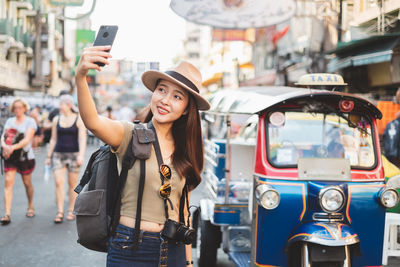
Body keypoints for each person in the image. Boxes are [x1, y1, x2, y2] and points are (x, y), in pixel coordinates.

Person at [75, 45, 210, 267]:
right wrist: (81, 77)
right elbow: (93, 122)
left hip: (173, 249)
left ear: (187, 109)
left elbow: (182, 208)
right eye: (162, 90)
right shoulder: (130, 134)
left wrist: (188, 262)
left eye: (177, 96)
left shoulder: (186, 149)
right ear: (154, 93)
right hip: (129, 248)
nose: (165, 100)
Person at [45, 95, 87, 223]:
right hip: (58, 155)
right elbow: (53, 139)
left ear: (68, 105)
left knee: (72, 184)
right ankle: (60, 211)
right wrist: (48, 156)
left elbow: (82, 138)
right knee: (58, 182)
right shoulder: (56, 119)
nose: (59, 107)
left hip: (74, 155)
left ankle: (70, 209)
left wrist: (81, 155)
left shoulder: (78, 119)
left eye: (61, 104)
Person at [0, 98, 37, 225]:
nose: (17, 110)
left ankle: (30, 205)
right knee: (8, 184)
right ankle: (7, 213)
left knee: (27, 183)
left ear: (25, 108)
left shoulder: (30, 121)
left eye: (20, 107)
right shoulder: (10, 121)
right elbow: (3, 136)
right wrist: (4, 146)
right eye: (15, 107)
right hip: (10, 157)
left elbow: (27, 139)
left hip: (24, 157)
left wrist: (12, 148)